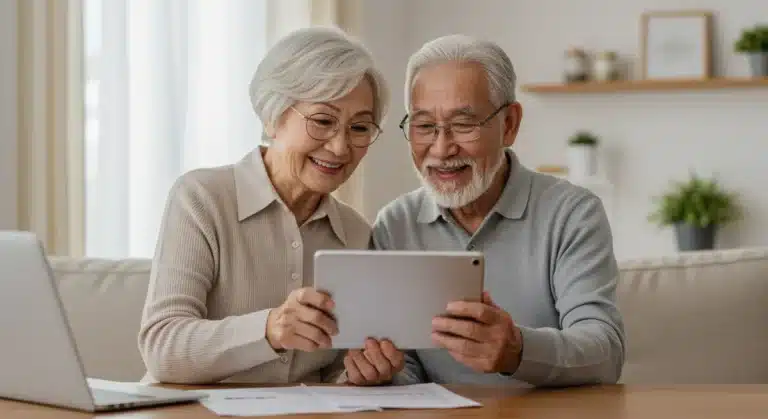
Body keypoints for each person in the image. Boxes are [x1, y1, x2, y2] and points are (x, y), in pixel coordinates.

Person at [138, 27, 404, 385]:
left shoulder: (356, 232)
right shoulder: (201, 198)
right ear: (273, 117)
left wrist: (361, 373)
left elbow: (333, 371)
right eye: (323, 121)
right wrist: (268, 329)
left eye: (359, 128)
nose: (341, 147)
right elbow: (162, 347)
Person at [373, 34, 626, 387]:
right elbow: (408, 367)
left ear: (509, 124)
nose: (442, 148)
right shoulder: (394, 225)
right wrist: (382, 372)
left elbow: (605, 353)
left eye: (464, 124)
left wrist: (517, 350)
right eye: (425, 126)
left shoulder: (572, 213)